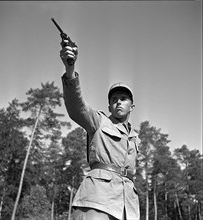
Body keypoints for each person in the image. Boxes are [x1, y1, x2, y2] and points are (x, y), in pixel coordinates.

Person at [60, 38, 140, 220]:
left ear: (131, 107)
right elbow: (76, 106)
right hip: (97, 200)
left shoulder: (135, 137)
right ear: (110, 105)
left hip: (127, 207)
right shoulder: (99, 121)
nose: (118, 101)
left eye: (123, 98)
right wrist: (70, 70)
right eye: (114, 99)